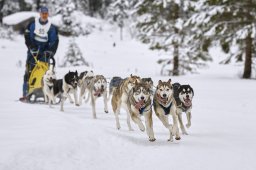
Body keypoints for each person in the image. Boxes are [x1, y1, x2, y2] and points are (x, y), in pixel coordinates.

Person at [19, 6, 59, 102]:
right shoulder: (32, 24)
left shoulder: (51, 27)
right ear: (40, 14)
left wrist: (50, 51)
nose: (44, 15)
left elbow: (54, 41)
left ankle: (49, 92)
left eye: (46, 13)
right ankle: (26, 94)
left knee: (46, 73)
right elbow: (27, 35)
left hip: (45, 53)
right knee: (29, 73)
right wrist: (31, 46)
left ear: (47, 14)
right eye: (42, 13)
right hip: (33, 52)